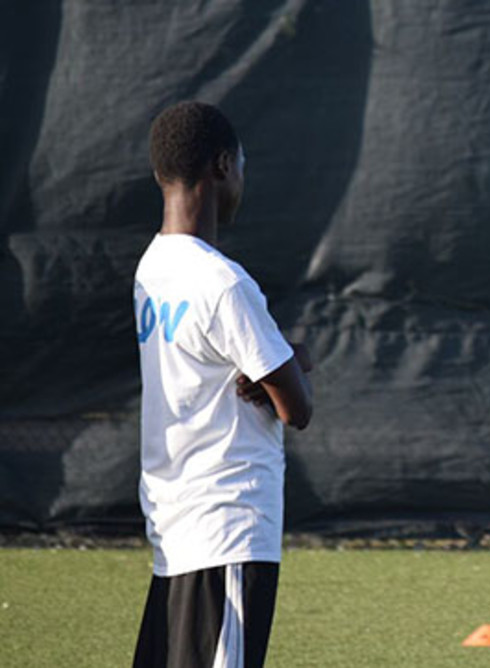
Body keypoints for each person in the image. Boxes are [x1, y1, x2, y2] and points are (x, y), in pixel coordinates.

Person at [132, 101, 313, 668]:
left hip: (175, 521)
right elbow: (296, 408)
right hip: (229, 524)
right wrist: (296, 362)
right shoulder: (224, 282)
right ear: (221, 166)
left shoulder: (152, 268)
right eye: (241, 164)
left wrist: (279, 362)